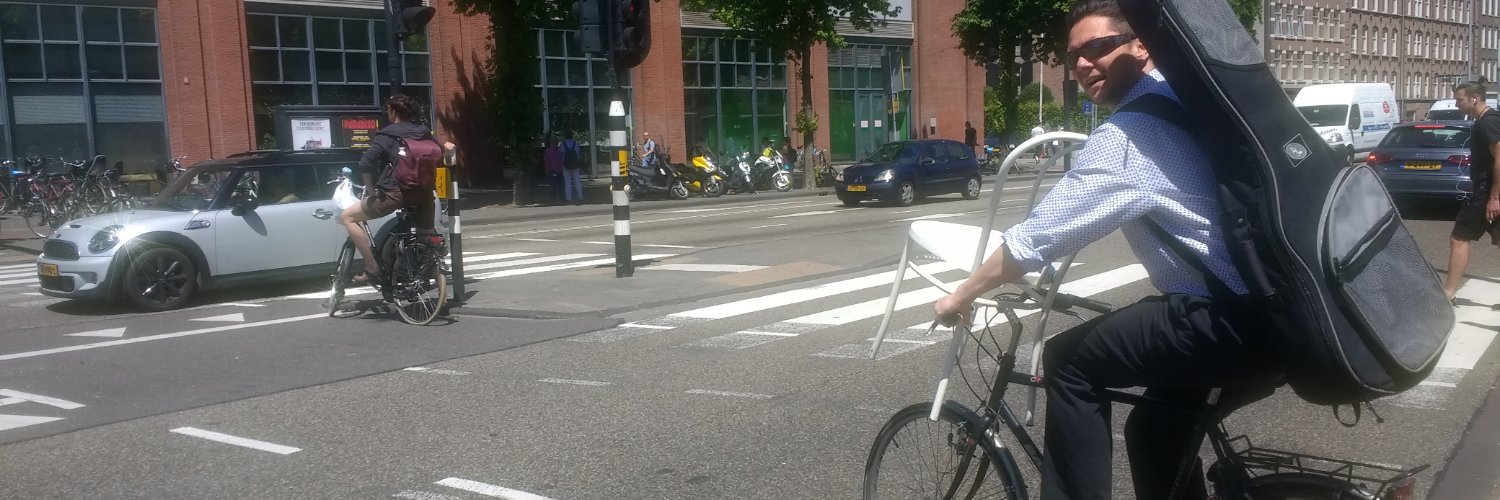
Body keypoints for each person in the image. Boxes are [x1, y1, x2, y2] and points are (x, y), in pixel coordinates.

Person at [932, 2, 1283, 498]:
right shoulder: (1182, 97)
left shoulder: (1129, 136)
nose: (1081, 64)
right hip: (1277, 315)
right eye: (1072, 55)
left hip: (1223, 320)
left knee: (1069, 362)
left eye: (1098, 47)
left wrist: (961, 294)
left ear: (1141, 45)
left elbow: (1039, 238)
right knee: (1155, 430)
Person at [339, 94, 441, 285]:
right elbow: (441, 152)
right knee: (427, 236)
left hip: (396, 193)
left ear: (393, 111)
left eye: (388, 110)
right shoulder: (425, 132)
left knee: (348, 217)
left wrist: (371, 191)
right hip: (425, 194)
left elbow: (366, 163)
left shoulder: (387, 134)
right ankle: (437, 274)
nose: (387, 114)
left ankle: (371, 266)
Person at [1444, 81, 1500, 303]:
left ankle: (1448, 294)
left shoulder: (1487, 123)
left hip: (1487, 191)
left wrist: (1494, 197)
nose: (1457, 104)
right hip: (1489, 189)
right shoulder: (1488, 120)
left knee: (1459, 238)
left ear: (1474, 99)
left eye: (1460, 100)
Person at [561, 130, 585, 205]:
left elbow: (561, 155)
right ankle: (580, 197)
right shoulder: (576, 144)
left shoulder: (562, 144)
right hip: (575, 165)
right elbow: (578, 155)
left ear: (565, 136)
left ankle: (569, 199)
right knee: (577, 181)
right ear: (572, 136)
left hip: (566, 165)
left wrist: (562, 164)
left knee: (567, 182)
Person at [543, 134, 565, 205]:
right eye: (553, 142)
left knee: (561, 185)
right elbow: (546, 161)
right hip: (552, 171)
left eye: (556, 142)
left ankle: (563, 199)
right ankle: (553, 199)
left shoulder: (559, 151)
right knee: (553, 186)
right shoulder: (548, 151)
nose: (554, 144)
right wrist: (547, 170)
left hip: (560, 171)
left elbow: (562, 160)